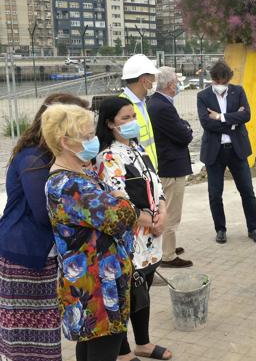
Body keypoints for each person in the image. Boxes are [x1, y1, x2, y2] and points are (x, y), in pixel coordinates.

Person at [42, 104, 138, 361]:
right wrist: (122, 199)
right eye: (86, 137)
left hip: (93, 282)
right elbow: (122, 216)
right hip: (97, 288)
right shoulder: (70, 185)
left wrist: (118, 198)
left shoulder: (79, 174)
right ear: (65, 142)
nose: (93, 140)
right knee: (103, 349)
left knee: (89, 347)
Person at [0, 94, 89, 361]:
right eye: (79, 129)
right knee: (25, 336)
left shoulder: (51, 156)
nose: (85, 137)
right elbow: (43, 212)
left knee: (44, 332)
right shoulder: (33, 158)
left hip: (42, 254)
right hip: (24, 254)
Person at [94, 96, 172, 361]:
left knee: (144, 290)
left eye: (133, 117)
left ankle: (144, 342)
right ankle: (124, 351)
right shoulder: (108, 157)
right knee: (127, 294)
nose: (132, 123)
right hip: (130, 238)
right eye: (125, 118)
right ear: (110, 124)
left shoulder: (138, 149)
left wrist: (163, 210)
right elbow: (119, 199)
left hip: (151, 237)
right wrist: (151, 221)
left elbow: (155, 182)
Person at [197, 61, 256, 244]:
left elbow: (247, 115)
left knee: (247, 191)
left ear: (229, 80)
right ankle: (220, 229)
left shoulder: (238, 91)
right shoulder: (202, 96)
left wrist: (220, 117)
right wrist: (233, 123)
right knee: (215, 193)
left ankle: (253, 228)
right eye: (218, 81)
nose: (221, 85)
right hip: (214, 151)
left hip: (237, 149)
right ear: (213, 79)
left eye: (224, 82)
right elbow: (206, 123)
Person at [147, 66, 194, 268]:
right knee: (171, 212)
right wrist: (187, 129)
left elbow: (179, 125)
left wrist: (183, 126)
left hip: (167, 164)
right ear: (170, 85)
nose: (178, 86)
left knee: (166, 209)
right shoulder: (163, 107)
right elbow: (183, 135)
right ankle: (167, 254)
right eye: (176, 82)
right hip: (171, 167)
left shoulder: (156, 103)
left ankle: (168, 246)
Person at [120, 53, 161, 169]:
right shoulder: (123, 106)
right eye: (153, 79)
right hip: (137, 175)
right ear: (144, 80)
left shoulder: (142, 103)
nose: (154, 83)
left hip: (149, 172)